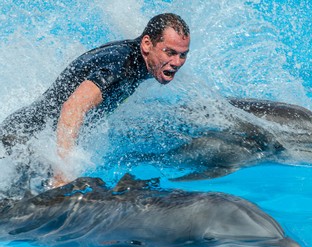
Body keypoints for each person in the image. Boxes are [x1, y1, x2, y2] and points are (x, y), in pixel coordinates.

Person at [0, 13, 190, 188]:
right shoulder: (120, 65)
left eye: (183, 54)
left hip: (32, 137)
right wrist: (62, 174)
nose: (177, 62)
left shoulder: (143, 58)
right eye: (170, 52)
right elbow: (73, 108)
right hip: (22, 142)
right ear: (147, 44)